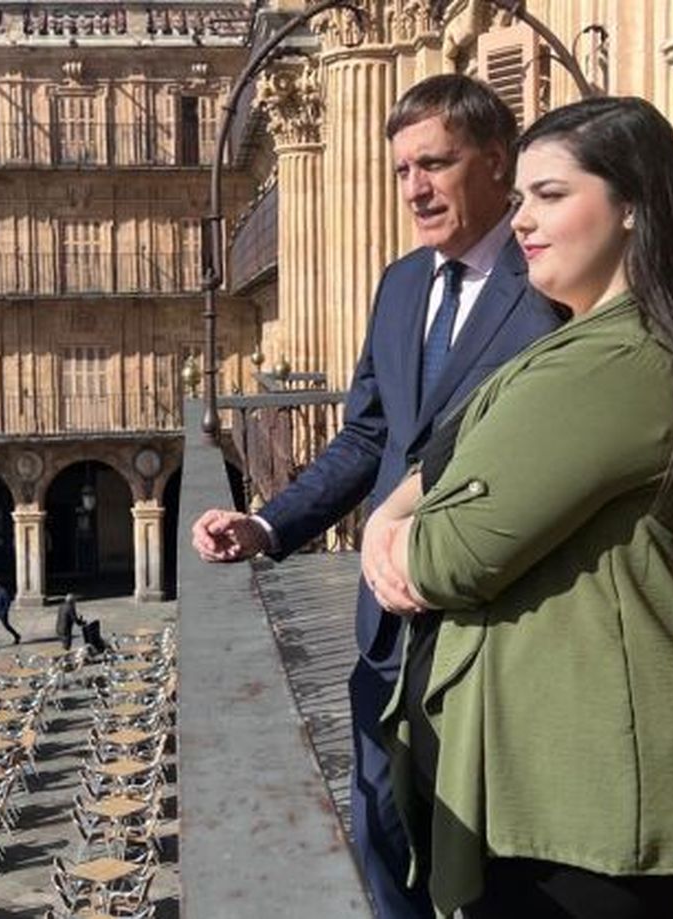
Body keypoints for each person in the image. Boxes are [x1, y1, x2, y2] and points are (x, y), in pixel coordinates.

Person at [361, 97, 673, 919]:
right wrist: (385, 520)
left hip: (592, 792)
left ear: (631, 206)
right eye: (520, 199)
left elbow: (454, 554)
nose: (522, 221)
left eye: (550, 195)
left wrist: (400, 538)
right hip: (571, 777)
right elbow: (440, 455)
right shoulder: (592, 343)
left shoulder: (612, 364)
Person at [191, 74, 562, 919]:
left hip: (493, 626)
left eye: (434, 164)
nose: (414, 189)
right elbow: (369, 436)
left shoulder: (548, 280)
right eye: (401, 170)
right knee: (383, 836)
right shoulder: (402, 285)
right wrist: (266, 520)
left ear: (497, 161)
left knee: (493, 861)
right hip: (385, 630)